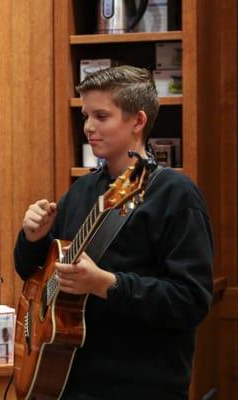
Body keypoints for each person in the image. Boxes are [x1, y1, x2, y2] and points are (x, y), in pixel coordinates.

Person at [14, 66, 213, 400]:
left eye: (101, 116)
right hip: (68, 380)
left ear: (137, 121)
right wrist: (32, 239)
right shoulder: (82, 191)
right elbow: (36, 277)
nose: (89, 127)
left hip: (142, 386)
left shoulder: (176, 195)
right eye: (85, 116)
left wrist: (107, 285)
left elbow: (191, 302)